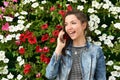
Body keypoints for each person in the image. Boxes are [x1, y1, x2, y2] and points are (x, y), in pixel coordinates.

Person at [45, 9, 106, 80]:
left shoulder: (95, 51)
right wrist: (58, 48)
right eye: (66, 24)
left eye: (73, 23)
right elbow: (50, 75)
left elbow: (101, 78)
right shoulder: (62, 50)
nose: (69, 28)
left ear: (83, 25)